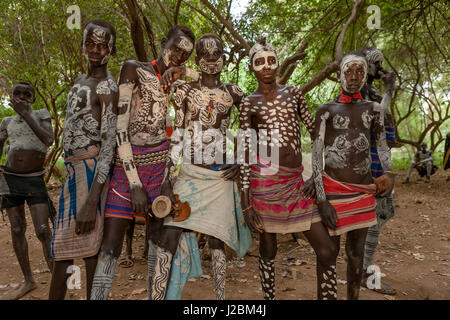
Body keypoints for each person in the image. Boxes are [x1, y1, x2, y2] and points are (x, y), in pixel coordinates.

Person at [89, 25, 198, 300]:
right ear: (163, 43)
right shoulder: (134, 69)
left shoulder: (179, 81)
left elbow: (206, 81)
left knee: (156, 242)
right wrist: (134, 184)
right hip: (128, 165)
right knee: (111, 245)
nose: (179, 57)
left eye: (186, 55)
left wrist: (167, 182)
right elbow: (121, 130)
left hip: (160, 164)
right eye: (175, 49)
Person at [150, 34, 251, 300]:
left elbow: (251, 128)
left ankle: (220, 300)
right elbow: (179, 134)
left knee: (217, 242)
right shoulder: (185, 90)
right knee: (169, 234)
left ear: (223, 58)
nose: (210, 59)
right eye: (204, 55)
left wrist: (242, 160)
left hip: (219, 179)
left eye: (216, 53)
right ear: (198, 59)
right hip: (190, 175)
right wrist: (167, 177)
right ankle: (158, 297)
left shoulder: (234, 93)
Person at [239, 37, 338, 300]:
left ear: (278, 63)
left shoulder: (294, 93)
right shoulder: (249, 103)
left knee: (326, 250)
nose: (266, 66)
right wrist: (246, 202)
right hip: (264, 182)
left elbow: (316, 133)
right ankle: (268, 299)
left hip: (296, 183)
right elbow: (245, 151)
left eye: (271, 60)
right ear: (252, 68)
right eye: (259, 62)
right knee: (268, 247)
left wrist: (317, 175)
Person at [312, 52, 394, 300]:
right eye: (349, 71)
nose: (355, 76)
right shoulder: (326, 110)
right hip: (334, 190)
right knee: (328, 254)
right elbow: (317, 156)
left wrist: (389, 172)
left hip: (363, 191)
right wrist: (322, 199)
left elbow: (381, 146)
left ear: (366, 76)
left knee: (356, 255)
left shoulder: (374, 109)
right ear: (339, 76)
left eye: (360, 71)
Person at [48, 19, 118, 300]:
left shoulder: (108, 89)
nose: (96, 50)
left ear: (111, 50)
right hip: (73, 172)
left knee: (90, 249)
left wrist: (91, 202)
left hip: (91, 175)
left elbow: (109, 146)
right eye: (91, 43)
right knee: (65, 250)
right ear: (82, 43)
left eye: (103, 45)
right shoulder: (79, 81)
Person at [0, 82, 54, 300]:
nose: (21, 98)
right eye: (17, 94)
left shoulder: (41, 114)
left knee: (43, 230)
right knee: (16, 228)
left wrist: (26, 114)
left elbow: (48, 139)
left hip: (33, 179)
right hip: (10, 179)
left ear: (32, 99)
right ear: (11, 97)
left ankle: (57, 279)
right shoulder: (6, 121)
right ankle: (29, 280)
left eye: (26, 95)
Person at [360, 46, 397, 295]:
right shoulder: (361, 90)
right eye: (376, 63)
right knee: (373, 217)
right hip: (369, 161)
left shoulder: (369, 89)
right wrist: (390, 90)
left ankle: (362, 265)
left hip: (378, 159)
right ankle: (364, 271)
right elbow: (377, 117)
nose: (379, 68)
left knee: (382, 212)